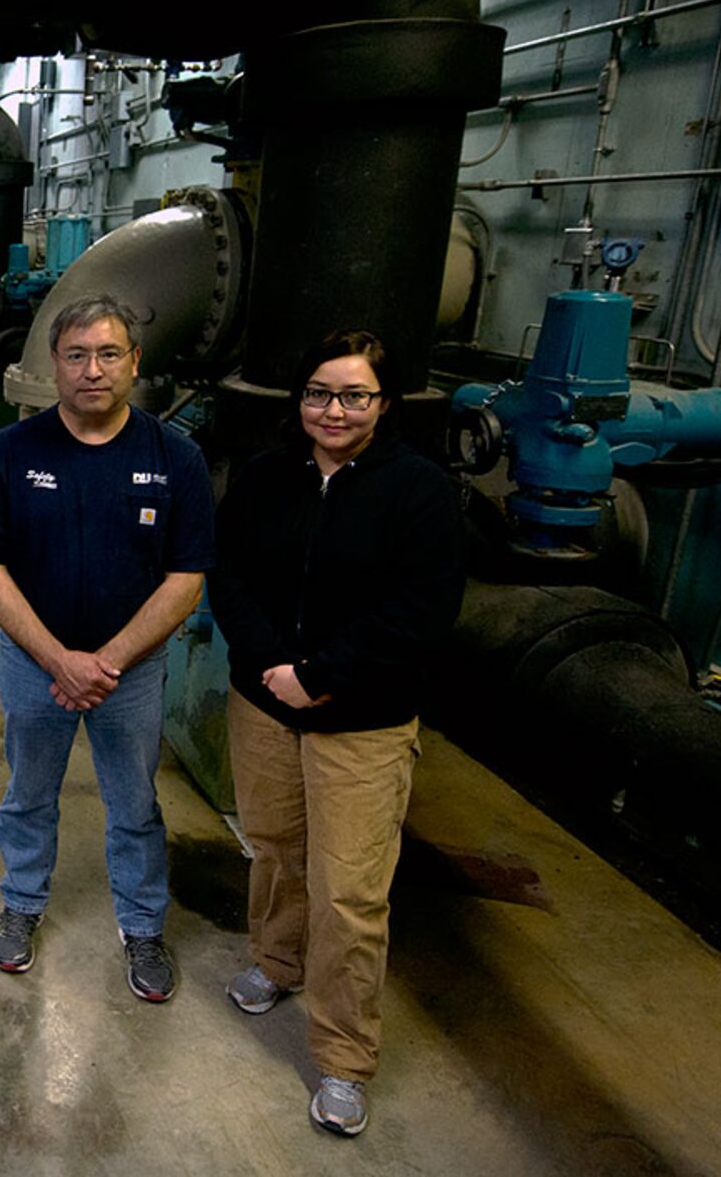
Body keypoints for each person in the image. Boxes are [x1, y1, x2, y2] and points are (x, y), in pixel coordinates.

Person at [208, 329, 464, 1137]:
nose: (334, 410)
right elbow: (229, 576)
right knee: (277, 848)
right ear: (300, 400)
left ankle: (345, 1053)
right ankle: (276, 961)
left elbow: (420, 611)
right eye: (320, 392)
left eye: (355, 395)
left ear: (384, 405)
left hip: (362, 720)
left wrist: (319, 674)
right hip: (265, 705)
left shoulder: (420, 492)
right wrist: (272, 664)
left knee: (350, 892)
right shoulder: (265, 479)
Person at [0, 294, 213, 1000]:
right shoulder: (13, 452)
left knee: (133, 802)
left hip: (128, 674)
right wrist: (57, 659)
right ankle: (22, 903)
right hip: (34, 665)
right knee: (28, 794)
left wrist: (107, 662)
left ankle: (142, 924)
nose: (92, 369)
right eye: (76, 355)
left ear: (135, 362)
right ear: (54, 363)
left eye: (108, 354)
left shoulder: (175, 457)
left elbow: (185, 579)